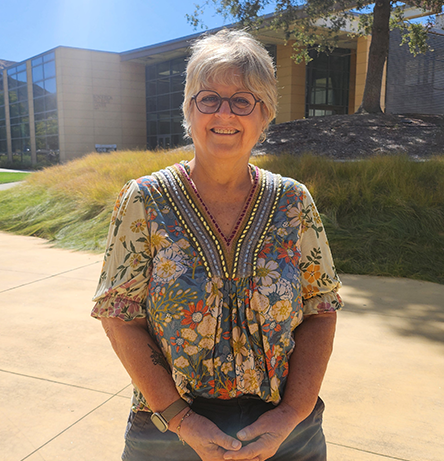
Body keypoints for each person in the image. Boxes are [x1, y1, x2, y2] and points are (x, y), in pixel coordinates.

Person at [91, 29, 343, 461]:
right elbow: (119, 316)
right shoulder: (144, 200)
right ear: (189, 109)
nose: (224, 113)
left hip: (286, 433)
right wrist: (181, 420)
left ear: (264, 116)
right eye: (208, 98)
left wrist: (290, 416)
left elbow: (320, 310)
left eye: (243, 100)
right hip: (168, 433)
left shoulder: (293, 202)